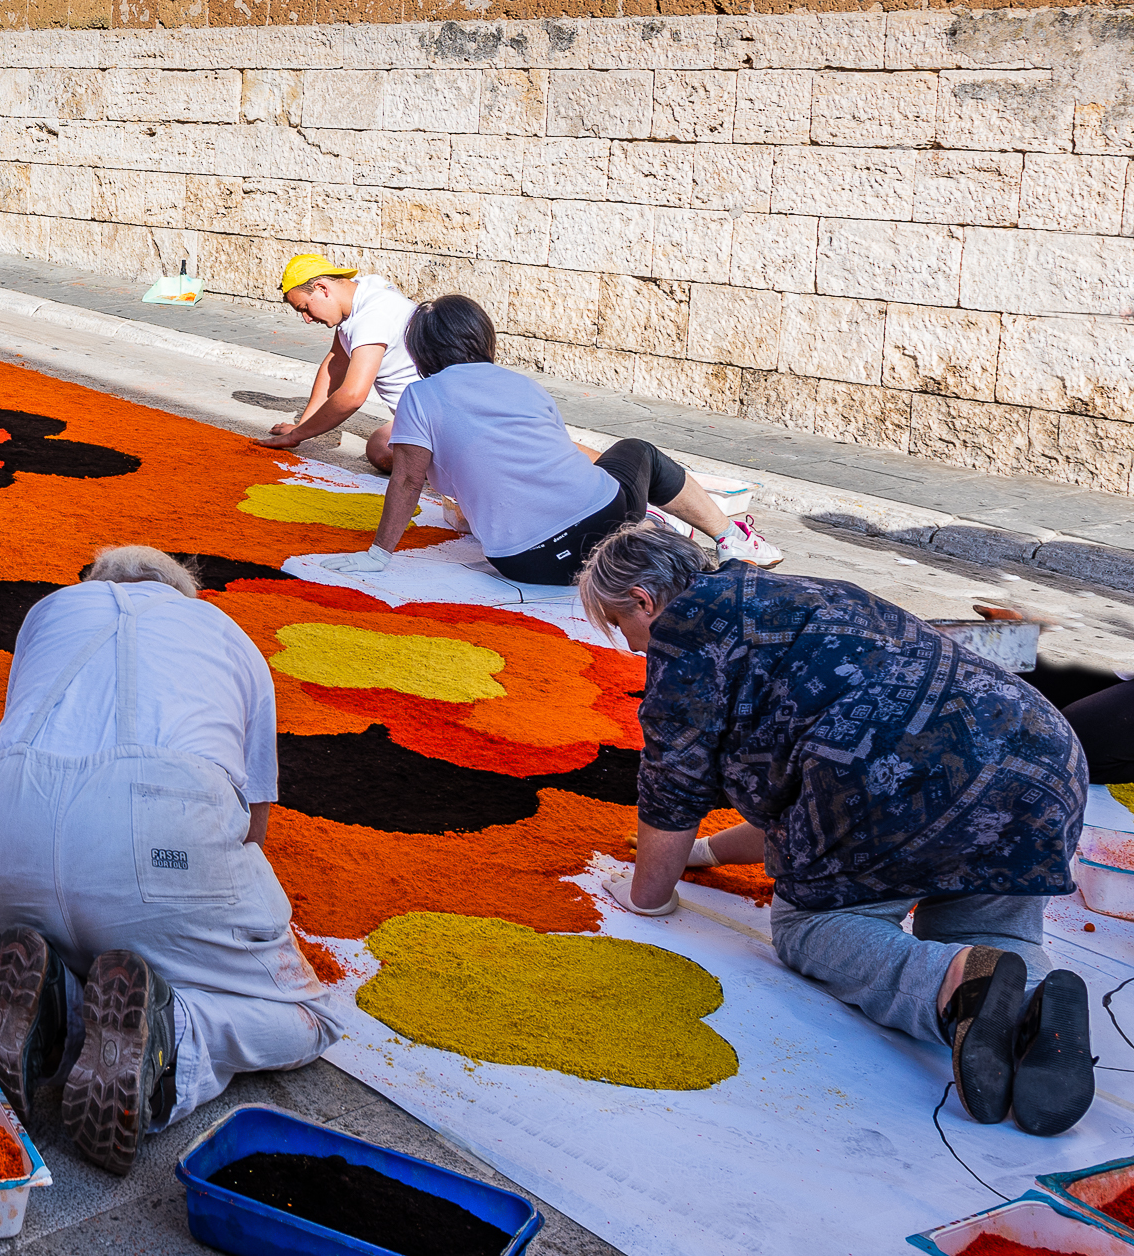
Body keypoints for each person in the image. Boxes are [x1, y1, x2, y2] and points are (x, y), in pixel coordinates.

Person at [581, 526, 1094, 1136]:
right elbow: (799, 810)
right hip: (1039, 758)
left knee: (810, 925)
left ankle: (953, 984)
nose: (633, 645)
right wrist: (710, 853)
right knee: (979, 927)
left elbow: (673, 787)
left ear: (644, 601)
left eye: (620, 626)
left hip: (902, 772)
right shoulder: (795, 591)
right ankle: (1034, 1000)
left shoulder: (688, 636)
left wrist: (647, 895)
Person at [0, 546, 341, 1175]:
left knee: (102, 935)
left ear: (90, 581)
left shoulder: (48, 612)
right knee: (308, 1018)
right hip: (159, 830)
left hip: (2, 835)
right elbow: (254, 828)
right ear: (185, 592)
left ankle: (63, 1010)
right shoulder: (224, 631)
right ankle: (175, 1036)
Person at [322, 295, 778, 583]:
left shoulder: (420, 396)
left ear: (420, 351)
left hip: (525, 564)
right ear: (482, 338)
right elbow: (551, 459)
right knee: (639, 453)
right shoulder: (521, 384)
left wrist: (379, 555)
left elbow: (407, 481)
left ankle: (668, 528)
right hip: (603, 531)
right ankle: (730, 538)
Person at [256, 254, 421, 472]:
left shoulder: (372, 317)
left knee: (380, 451)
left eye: (304, 308)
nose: (307, 319)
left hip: (439, 417)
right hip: (426, 413)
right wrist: (303, 426)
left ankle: (457, 462)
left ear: (322, 288)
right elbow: (335, 363)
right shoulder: (363, 290)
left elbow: (352, 396)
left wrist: (297, 435)